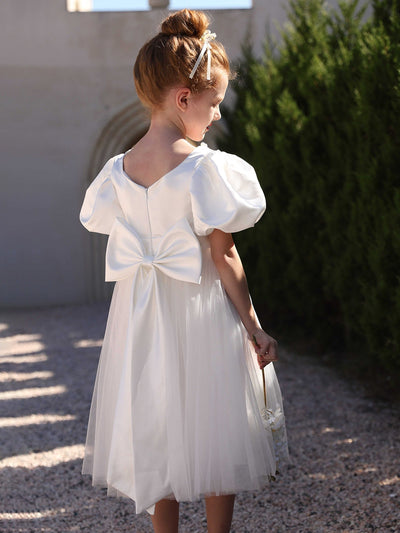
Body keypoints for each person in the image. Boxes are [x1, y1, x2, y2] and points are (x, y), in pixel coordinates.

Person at [79, 9, 287, 533]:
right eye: (213, 103)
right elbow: (225, 255)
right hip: (200, 315)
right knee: (214, 424)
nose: (215, 115)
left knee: (155, 428)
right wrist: (254, 326)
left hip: (141, 320)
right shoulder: (204, 168)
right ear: (184, 98)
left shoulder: (116, 172)